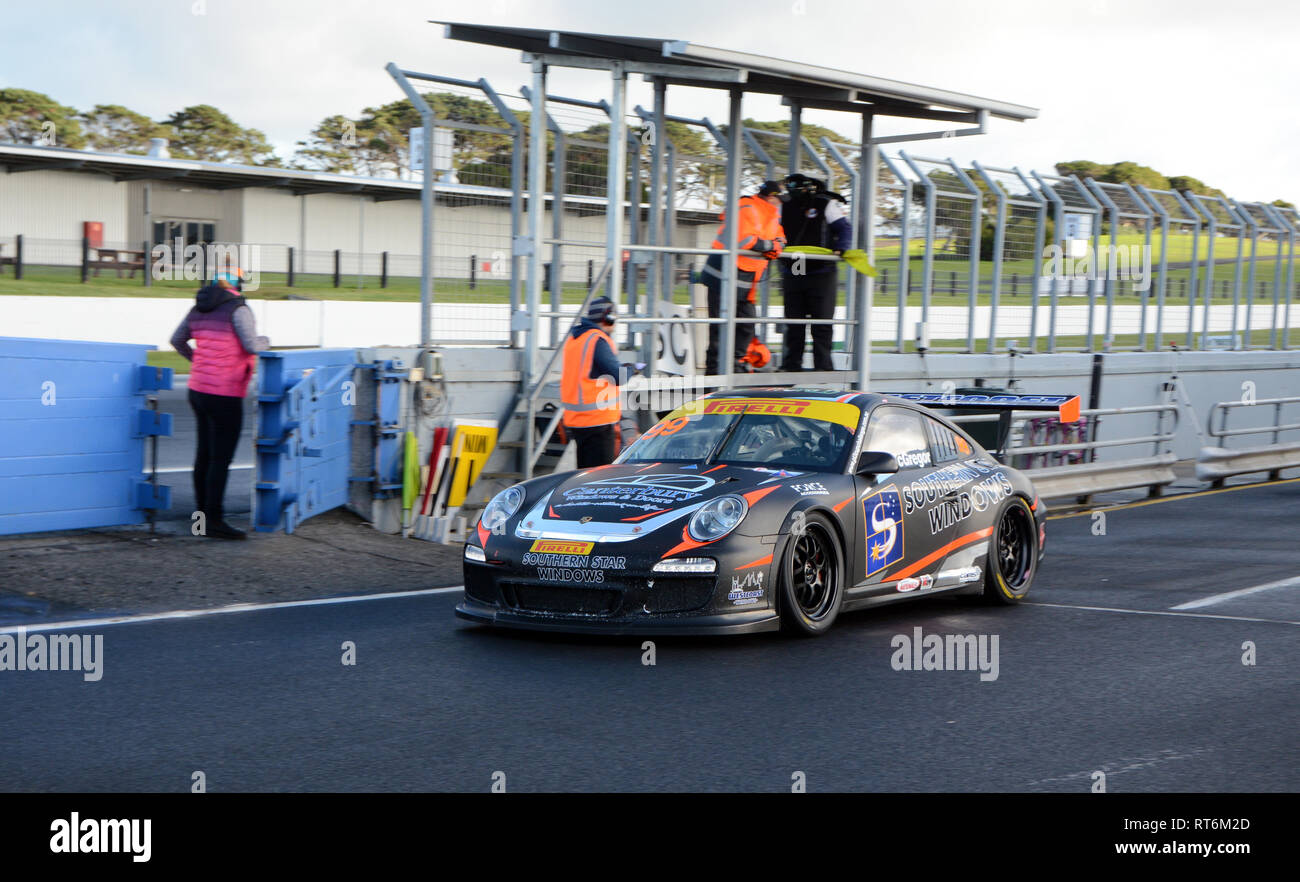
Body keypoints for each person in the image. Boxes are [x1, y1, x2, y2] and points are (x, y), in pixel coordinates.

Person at [170, 272, 268, 539]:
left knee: (204, 456)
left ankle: (200, 521)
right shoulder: (239, 308)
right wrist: (266, 342)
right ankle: (213, 520)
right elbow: (251, 345)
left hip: (198, 389)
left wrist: (199, 362)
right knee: (220, 459)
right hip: (225, 392)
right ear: (238, 286)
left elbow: (177, 340)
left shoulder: (198, 307)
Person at [700, 180, 788, 376]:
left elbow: (781, 238)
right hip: (722, 274)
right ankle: (714, 372)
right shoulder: (747, 206)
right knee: (720, 326)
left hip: (746, 278)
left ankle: (736, 364)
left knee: (746, 324)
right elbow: (745, 240)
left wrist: (776, 246)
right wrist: (770, 247)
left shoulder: (771, 213)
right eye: (780, 199)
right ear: (772, 197)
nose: (781, 204)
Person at [778, 173, 852, 372]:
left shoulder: (825, 203)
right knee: (794, 320)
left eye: (797, 185)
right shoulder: (785, 205)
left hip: (822, 268)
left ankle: (823, 367)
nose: (792, 189)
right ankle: (791, 365)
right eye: (790, 185)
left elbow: (844, 229)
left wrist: (842, 247)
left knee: (821, 321)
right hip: (796, 263)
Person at [560, 296, 624, 468]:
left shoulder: (576, 339)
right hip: (598, 421)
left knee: (584, 477)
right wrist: (633, 369)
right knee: (599, 480)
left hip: (577, 420)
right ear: (608, 317)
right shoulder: (597, 340)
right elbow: (620, 375)